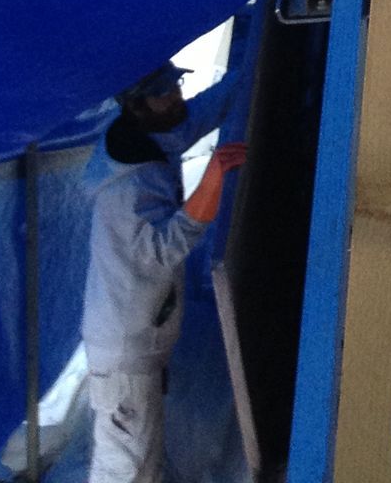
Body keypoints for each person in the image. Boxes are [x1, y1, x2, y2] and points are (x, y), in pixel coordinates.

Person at [82, 61, 245, 483]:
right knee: (125, 470)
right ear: (136, 106)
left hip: (137, 345)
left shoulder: (151, 137)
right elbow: (160, 250)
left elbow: (205, 110)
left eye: (176, 85)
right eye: (165, 92)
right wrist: (212, 181)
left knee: (140, 466)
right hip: (124, 356)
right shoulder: (128, 186)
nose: (177, 97)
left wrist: (255, 67)